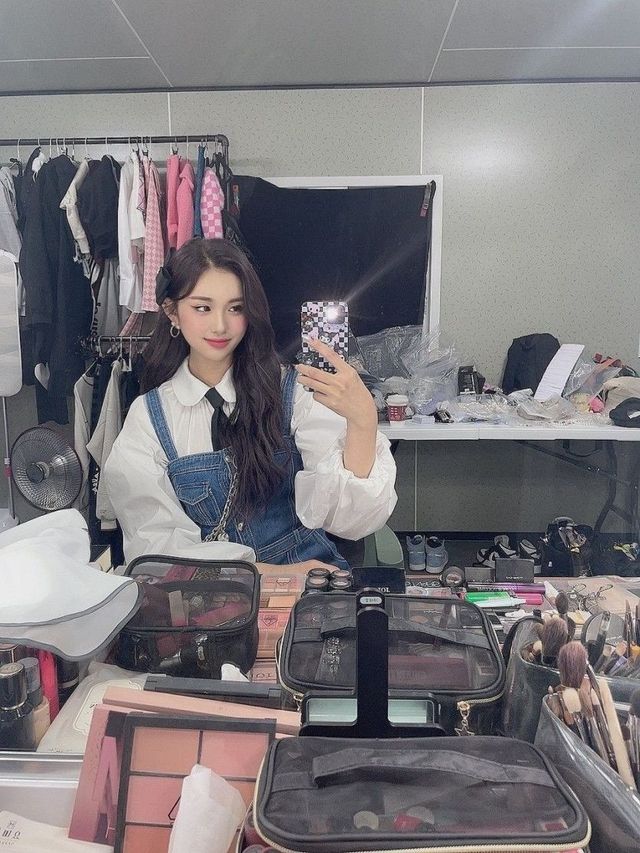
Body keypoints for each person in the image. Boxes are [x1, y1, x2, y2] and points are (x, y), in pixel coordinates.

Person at [104, 238, 397, 572]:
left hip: (312, 585)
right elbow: (158, 553)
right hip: (211, 593)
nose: (220, 326)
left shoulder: (293, 391)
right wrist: (272, 575)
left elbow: (348, 521)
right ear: (173, 312)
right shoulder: (150, 418)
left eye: (235, 308)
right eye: (203, 308)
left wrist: (363, 421)